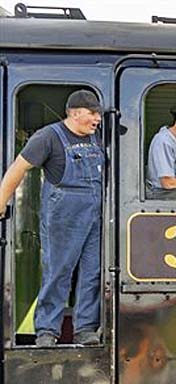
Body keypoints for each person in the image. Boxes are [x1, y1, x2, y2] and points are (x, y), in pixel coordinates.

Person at [0, 90, 104, 347]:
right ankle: (47, 330)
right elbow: (18, 168)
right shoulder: (48, 137)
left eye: (98, 114)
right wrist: (0, 203)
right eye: (92, 113)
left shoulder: (96, 138)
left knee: (92, 272)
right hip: (63, 213)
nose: (97, 119)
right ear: (75, 112)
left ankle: (85, 329)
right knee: (58, 271)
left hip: (95, 211)